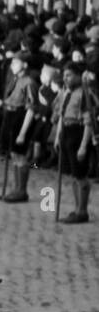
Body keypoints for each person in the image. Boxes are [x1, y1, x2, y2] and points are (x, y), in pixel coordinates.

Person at [51, 60, 95, 224]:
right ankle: (76, 209)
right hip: (67, 133)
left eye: (69, 75)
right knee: (73, 174)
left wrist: (83, 146)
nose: (66, 79)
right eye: (64, 76)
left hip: (79, 133)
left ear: (78, 76)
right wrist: (57, 136)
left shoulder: (85, 94)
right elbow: (62, 115)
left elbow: (88, 122)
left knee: (80, 174)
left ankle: (82, 211)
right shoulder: (66, 92)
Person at [0, 50, 39, 203]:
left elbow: (31, 109)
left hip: (21, 117)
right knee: (14, 154)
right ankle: (15, 188)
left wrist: (22, 133)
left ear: (25, 65)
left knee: (20, 155)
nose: (12, 65)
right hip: (11, 115)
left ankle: (22, 191)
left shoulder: (29, 83)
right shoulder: (15, 79)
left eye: (16, 62)